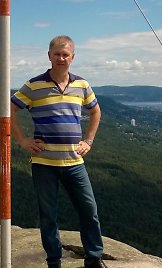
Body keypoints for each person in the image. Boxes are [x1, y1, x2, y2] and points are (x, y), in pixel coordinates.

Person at [10, 35, 107, 268]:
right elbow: (9, 110)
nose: (61, 58)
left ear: (72, 57)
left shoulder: (82, 85)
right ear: (49, 56)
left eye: (65, 54)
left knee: (89, 210)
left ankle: (93, 259)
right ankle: (54, 261)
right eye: (57, 54)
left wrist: (89, 140)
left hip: (74, 162)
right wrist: (22, 140)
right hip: (44, 163)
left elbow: (96, 112)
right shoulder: (34, 86)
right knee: (48, 215)